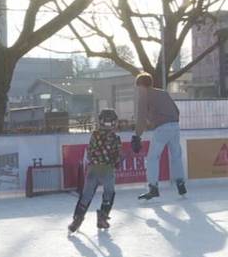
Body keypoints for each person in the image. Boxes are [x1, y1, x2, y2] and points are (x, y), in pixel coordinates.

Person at [132, 72, 186, 200]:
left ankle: (153, 187)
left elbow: (141, 118)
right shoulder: (163, 93)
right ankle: (181, 183)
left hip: (162, 128)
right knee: (176, 156)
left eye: (138, 87)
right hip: (175, 126)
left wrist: (137, 136)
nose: (138, 90)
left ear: (141, 85)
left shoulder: (144, 96)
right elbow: (177, 111)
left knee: (152, 158)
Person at [69, 109, 123, 233]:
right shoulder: (116, 138)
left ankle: (77, 219)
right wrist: (117, 161)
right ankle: (102, 217)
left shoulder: (94, 135)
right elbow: (118, 156)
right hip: (108, 170)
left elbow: (89, 153)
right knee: (109, 193)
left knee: (86, 195)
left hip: (93, 169)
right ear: (114, 123)